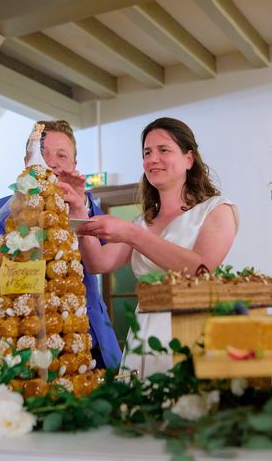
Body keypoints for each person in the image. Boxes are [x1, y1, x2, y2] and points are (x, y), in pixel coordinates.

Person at [74, 117, 239, 376]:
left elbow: (200, 268)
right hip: (146, 328)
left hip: (192, 325)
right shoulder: (143, 221)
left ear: (188, 159)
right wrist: (78, 208)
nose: (153, 159)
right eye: (147, 152)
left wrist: (131, 233)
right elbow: (98, 262)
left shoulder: (217, 210)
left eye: (164, 150)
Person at [0, 120, 122, 370]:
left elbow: (104, 258)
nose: (51, 163)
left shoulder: (85, 208)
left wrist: (79, 204)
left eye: (62, 156)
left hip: (91, 344)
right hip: (23, 349)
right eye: (42, 154)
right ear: (26, 162)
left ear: (74, 166)